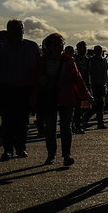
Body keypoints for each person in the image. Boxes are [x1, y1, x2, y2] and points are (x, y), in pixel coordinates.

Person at [32, 33, 91, 166]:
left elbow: (78, 79)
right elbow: (34, 76)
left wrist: (87, 94)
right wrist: (39, 80)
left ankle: (66, 154)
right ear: (49, 46)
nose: (58, 46)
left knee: (66, 127)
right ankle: (51, 154)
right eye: (55, 43)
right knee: (51, 128)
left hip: (66, 97)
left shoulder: (69, 60)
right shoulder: (43, 61)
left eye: (60, 43)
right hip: (49, 97)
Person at [0, 19, 41, 160]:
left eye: (20, 28)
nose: (18, 31)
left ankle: (21, 147)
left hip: (26, 89)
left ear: (24, 30)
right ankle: (8, 149)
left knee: (23, 121)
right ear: (8, 31)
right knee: (8, 121)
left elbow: (39, 68)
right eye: (14, 28)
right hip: (6, 89)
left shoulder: (32, 47)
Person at [83, 45, 108, 129]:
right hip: (94, 85)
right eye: (97, 50)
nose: (99, 52)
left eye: (100, 50)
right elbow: (88, 72)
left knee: (100, 105)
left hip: (103, 85)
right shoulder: (91, 61)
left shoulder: (105, 60)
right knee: (98, 104)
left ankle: (87, 118)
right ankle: (97, 121)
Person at [72, 41, 91, 133]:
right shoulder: (73, 60)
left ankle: (80, 122)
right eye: (82, 48)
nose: (84, 49)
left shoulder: (88, 60)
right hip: (76, 87)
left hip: (86, 86)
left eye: (85, 47)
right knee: (77, 108)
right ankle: (76, 125)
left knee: (88, 107)